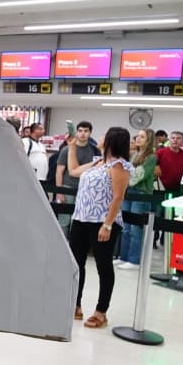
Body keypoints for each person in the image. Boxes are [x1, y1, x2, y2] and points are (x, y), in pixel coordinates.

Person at [65, 127, 131, 329]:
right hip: (81, 219)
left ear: (111, 141)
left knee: (103, 266)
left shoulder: (119, 166)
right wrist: (71, 148)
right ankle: (74, 304)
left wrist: (108, 224)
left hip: (102, 222)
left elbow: (118, 196)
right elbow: (74, 171)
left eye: (103, 135)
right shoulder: (98, 162)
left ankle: (101, 312)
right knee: (76, 263)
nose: (99, 138)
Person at [116, 128, 156, 269]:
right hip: (128, 192)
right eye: (137, 136)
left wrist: (125, 178)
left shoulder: (151, 157)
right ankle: (124, 257)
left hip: (141, 193)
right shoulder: (134, 154)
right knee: (125, 227)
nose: (138, 139)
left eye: (142, 137)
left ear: (148, 140)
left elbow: (139, 176)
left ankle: (134, 260)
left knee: (135, 228)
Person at [55, 122, 100, 233]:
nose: (82, 134)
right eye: (80, 131)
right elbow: (59, 171)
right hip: (67, 187)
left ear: (90, 133)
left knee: (78, 221)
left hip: (85, 190)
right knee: (64, 220)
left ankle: (73, 248)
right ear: (76, 132)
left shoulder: (94, 150)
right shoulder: (67, 149)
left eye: (86, 131)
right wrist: (59, 192)